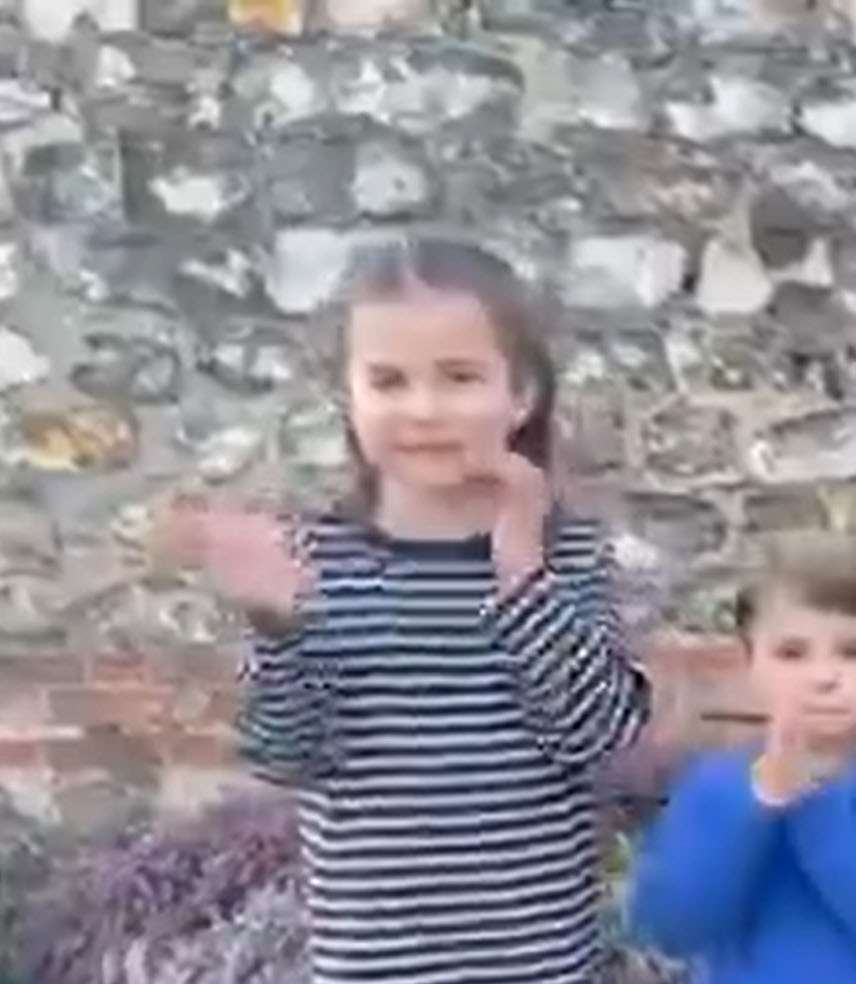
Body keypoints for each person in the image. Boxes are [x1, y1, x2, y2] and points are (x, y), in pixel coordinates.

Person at [155, 236, 651, 984]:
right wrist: (280, 627)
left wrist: (520, 570)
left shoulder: (567, 554)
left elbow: (596, 738)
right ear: (349, 401)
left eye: (458, 378)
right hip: (376, 969)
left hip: (540, 965)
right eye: (388, 381)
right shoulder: (312, 561)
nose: (423, 409)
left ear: (521, 396)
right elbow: (290, 756)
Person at [629, 532, 856, 984]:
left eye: (855, 653)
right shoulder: (714, 786)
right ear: (751, 664)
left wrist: (811, 800)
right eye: (791, 654)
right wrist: (759, 802)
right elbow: (672, 926)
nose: (824, 677)